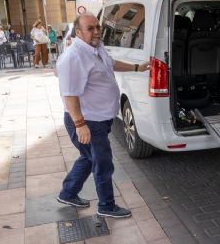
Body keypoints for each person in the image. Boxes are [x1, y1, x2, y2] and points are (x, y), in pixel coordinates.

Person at [55, 13, 149, 217]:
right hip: (87, 121)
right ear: (78, 32)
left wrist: (137, 67)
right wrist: (80, 125)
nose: (96, 31)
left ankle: (68, 193)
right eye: (90, 28)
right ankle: (106, 206)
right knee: (102, 163)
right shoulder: (74, 57)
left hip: (99, 118)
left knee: (89, 158)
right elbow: (69, 94)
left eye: (97, 26)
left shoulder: (96, 49)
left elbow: (112, 63)